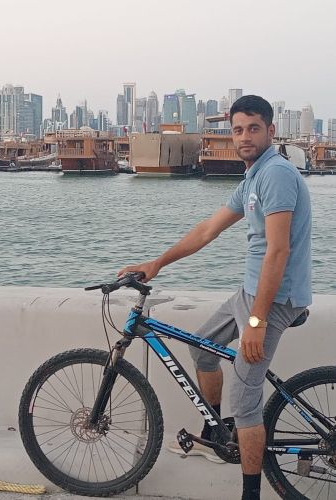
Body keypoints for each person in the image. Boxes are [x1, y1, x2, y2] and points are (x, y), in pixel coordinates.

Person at [118, 95, 312, 500]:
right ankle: (215, 434)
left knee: (245, 400)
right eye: (238, 130)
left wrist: (256, 322)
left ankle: (250, 493)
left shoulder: (276, 174)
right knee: (203, 348)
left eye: (253, 128)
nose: (244, 137)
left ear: (271, 131)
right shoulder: (253, 178)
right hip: (250, 292)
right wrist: (157, 263)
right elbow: (208, 229)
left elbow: (278, 252)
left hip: (274, 301)